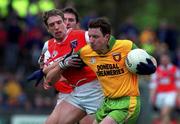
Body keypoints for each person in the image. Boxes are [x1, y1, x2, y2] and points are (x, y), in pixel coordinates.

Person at [46, 17, 157, 124]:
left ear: (107, 37)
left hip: (127, 103)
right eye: (90, 36)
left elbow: (149, 59)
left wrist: (153, 66)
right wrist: (46, 71)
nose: (91, 41)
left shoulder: (126, 46)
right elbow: (64, 62)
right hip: (107, 103)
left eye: (96, 37)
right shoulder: (86, 52)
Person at [28, 9, 104, 124]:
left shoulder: (83, 35)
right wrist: (61, 65)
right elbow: (49, 80)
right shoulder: (49, 46)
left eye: (59, 22)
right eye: (52, 25)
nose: (56, 27)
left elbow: (106, 43)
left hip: (96, 88)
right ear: (48, 29)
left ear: (65, 23)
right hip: (74, 92)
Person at [149, 53, 180, 124]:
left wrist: (178, 96)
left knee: (164, 112)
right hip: (160, 95)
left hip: (171, 94)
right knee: (165, 115)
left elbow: (178, 84)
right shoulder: (156, 71)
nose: (164, 60)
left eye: (166, 59)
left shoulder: (175, 69)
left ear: (169, 59)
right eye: (163, 59)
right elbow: (153, 86)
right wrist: (151, 98)